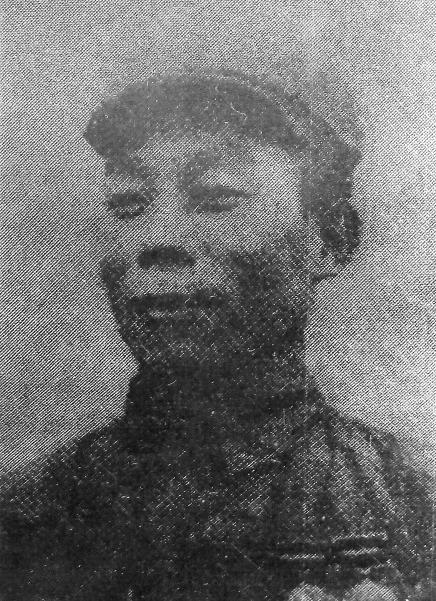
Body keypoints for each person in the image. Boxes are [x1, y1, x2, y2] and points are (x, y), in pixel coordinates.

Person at [0, 70, 432, 601]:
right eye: (128, 205)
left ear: (330, 238)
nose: (157, 239)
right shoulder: (27, 513)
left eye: (217, 198)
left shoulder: (410, 504)